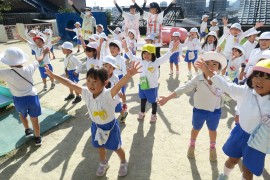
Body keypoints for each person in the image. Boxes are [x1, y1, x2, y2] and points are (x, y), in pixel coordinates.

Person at [45, 60, 141, 177]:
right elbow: (70, 84)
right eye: (89, 80)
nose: (91, 84)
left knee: (116, 147)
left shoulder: (108, 94)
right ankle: (103, 163)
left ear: (105, 83)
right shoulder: (86, 93)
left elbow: (119, 85)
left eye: (95, 81)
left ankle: (123, 162)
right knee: (100, 147)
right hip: (96, 126)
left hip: (110, 127)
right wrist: (54, 76)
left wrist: (129, 74)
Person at [196, 57, 270, 180]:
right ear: (251, 78)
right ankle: (224, 176)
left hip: (257, 140)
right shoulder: (247, 91)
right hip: (240, 133)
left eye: (267, 78)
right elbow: (227, 86)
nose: (260, 81)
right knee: (232, 159)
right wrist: (208, 72)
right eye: (257, 76)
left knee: (247, 169)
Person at [158, 51, 226, 161]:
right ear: (202, 65)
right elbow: (183, 88)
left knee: (212, 130)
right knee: (196, 128)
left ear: (219, 67)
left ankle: (212, 148)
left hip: (215, 111)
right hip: (199, 110)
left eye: (214, 64)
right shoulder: (198, 78)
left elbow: (232, 91)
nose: (211, 66)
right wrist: (167, 98)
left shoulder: (221, 80)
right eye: (207, 63)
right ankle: (192, 145)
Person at [123, 39, 180, 123]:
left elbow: (165, 57)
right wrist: (125, 48)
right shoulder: (140, 60)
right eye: (144, 53)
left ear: (153, 54)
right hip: (142, 85)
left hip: (152, 87)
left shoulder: (156, 62)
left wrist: (172, 50)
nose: (146, 55)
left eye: (149, 53)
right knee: (143, 100)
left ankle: (153, 114)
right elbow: (131, 56)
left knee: (153, 102)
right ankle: (142, 112)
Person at [0, 47, 42, 146]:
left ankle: (27, 129)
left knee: (22, 114)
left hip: (19, 100)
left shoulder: (5, 73)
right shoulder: (29, 68)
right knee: (35, 119)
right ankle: (37, 138)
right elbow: (38, 60)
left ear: (8, 62)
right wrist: (44, 52)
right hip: (32, 98)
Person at [102, 56, 128, 122]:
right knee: (107, 110)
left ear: (113, 69)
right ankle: (109, 120)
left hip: (114, 98)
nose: (107, 69)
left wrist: (119, 92)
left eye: (110, 67)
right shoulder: (101, 76)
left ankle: (123, 114)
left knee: (118, 108)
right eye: (105, 66)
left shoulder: (115, 77)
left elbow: (118, 86)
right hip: (105, 97)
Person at [109, 40, 128, 117]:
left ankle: (124, 104)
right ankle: (114, 106)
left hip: (120, 79)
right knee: (112, 94)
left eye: (114, 48)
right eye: (111, 48)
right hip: (111, 79)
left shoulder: (122, 60)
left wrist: (124, 81)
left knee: (122, 93)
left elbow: (124, 72)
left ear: (119, 49)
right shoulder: (108, 58)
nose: (112, 50)